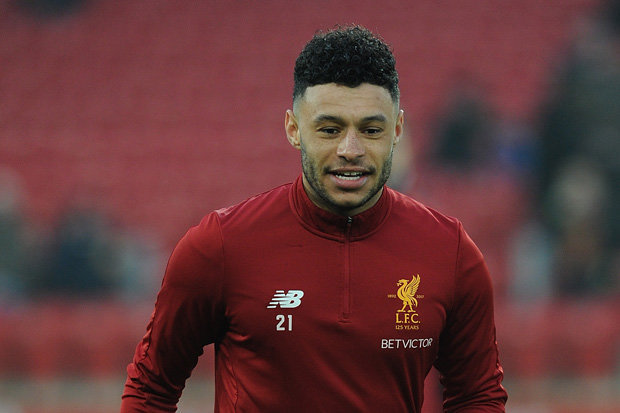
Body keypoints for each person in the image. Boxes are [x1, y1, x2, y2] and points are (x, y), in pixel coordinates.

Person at [121, 25, 507, 412]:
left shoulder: (450, 252)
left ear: (397, 130)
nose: (350, 149)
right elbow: (150, 388)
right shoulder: (220, 245)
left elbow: (477, 397)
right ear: (293, 129)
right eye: (329, 129)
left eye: (371, 130)